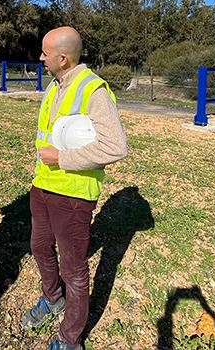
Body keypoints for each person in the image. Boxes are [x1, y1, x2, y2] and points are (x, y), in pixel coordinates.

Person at [21, 27, 128, 350]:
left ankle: (70, 340)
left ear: (62, 58)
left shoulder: (93, 90)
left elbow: (116, 147)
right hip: (43, 186)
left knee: (74, 270)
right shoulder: (55, 86)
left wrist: (62, 158)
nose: (40, 58)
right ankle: (53, 299)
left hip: (73, 194)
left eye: (45, 53)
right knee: (39, 248)